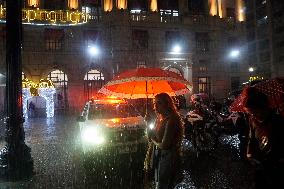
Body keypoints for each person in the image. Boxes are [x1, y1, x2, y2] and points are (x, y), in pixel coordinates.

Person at [243, 87, 284, 188]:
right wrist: (249, 153)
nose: (254, 116)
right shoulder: (252, 121)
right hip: (260, 167)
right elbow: (251, 139)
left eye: (255, 112)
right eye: (250, 113)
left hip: (277, 168)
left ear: (264, 108)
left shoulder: (278, 122)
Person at [144, 93, 184, 189]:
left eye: (159, 103)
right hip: (160, 156)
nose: (155, 106)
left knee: (164, 185)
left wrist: (153, 141)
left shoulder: (171, 120)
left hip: (168, 158)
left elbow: (164, 145)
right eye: (154, 103)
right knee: (160, 183)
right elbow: (151, 136)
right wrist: (148, 122)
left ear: (167, 104)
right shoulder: (160, 119)